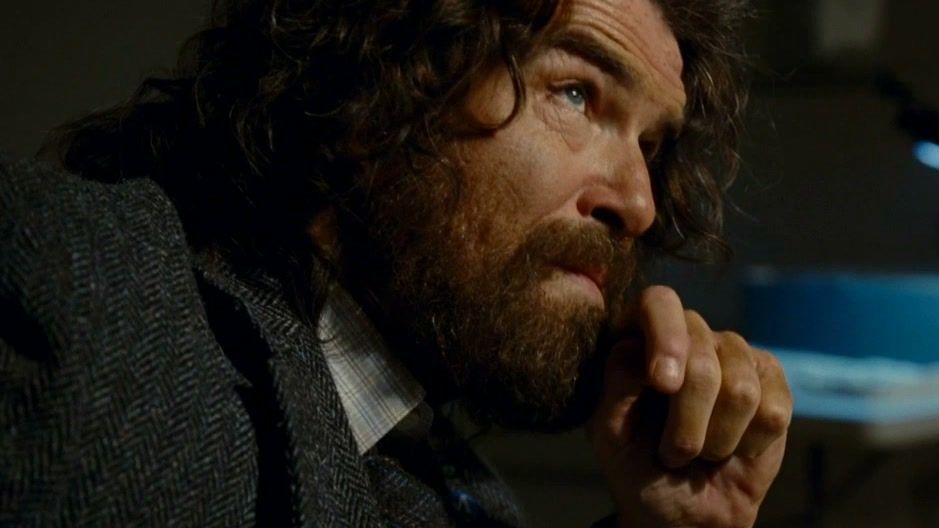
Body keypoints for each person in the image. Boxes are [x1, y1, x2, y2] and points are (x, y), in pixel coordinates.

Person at [0, 0, 791, 525]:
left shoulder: (463, 495)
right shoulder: (76, 284)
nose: (640, 203)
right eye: (577, 94)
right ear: (379, 83)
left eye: (650, 145)